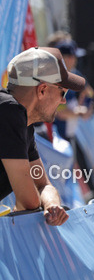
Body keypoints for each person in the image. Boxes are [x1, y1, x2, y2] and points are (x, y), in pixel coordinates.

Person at [1, 47, 85, 225]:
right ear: (42, 90)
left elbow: (43, 184)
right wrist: (44, 207)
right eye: (63, 92)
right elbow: (28, 202)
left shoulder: (23, 121)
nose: (63, 101)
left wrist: (52, 206)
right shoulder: (9, 112)